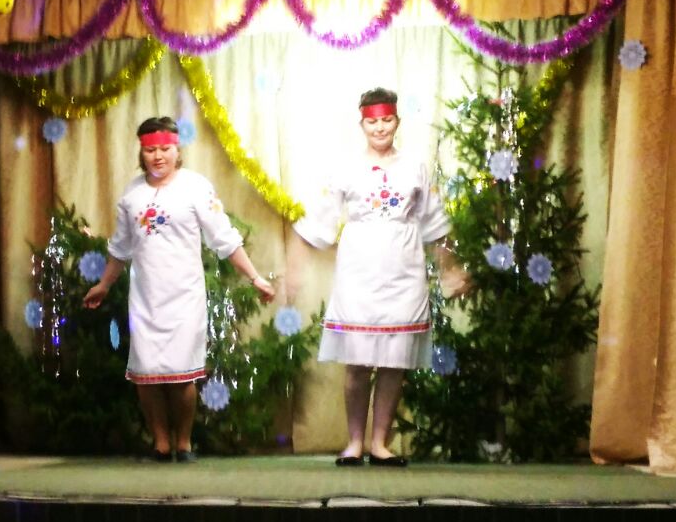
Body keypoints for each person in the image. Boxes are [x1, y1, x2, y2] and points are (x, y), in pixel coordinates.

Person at [291, 87, 470, 466]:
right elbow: (320, 222)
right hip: (359, 272)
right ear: (362, 124)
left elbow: (434, 225)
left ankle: (379, 444)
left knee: (393, 363)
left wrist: (451, 269)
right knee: (357, 363)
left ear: (397, 122)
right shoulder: (345, 167)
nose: (380, 127)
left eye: (387, 120)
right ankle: (354, 442)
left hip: (404, 271)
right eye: (373, 121)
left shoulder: (415, 166)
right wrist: (295, 267)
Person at [84, 116, 276, 461]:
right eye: (150, 150)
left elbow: (224, 238)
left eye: (165, 149)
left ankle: (184, 442)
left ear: (177, 149)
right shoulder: (132, 193)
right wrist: (104, 284)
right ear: (141, 152)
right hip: (145, 298)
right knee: (146, 374)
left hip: (185, 296)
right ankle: (160, 443)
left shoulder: (196, 187)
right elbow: (121, 247)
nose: (158, 156)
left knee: (181, 374)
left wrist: (255, 277)